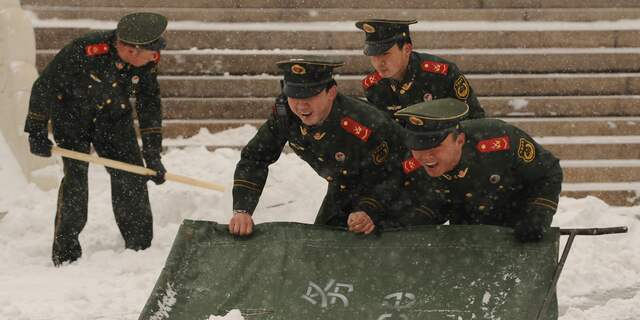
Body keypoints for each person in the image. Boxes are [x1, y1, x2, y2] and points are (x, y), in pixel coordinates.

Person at [229, 58, 445, 236]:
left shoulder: (363, 122)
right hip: (343, 188)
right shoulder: (285, 113)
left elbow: (395, 172)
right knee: (321, 249)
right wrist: (242, 209)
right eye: (294, 95)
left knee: (383, 256)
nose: (301, 105)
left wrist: (368, 209)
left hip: (406, 190)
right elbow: (255, 158)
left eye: (310, 96)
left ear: (331, 92)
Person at [23, 12, 169, 266]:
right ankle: (66, 253)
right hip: (71, 117)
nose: (155, 55)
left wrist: (152, 156)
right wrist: (36, 130)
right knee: (76, 180)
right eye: (151, 50)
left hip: (113, 117)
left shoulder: (146, 61)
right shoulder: (85, 49)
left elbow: (149, 104)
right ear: (132, 50)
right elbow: (44, 85)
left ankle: (140, 248)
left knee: (132, 176)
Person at [395, 98, 563, 242]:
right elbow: (432, 200)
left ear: (459, 140)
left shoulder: (499, 140)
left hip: (519, 228)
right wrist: (418, 218)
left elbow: (548, 173)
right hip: (468, 235)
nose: (425, 157)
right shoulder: (410, 163)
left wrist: (539, 213)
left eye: (434, 148)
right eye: (417, 148)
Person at [355, 19, 485, 123]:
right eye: (373, 56)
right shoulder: (373, 86)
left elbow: (474, 117)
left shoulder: (441, 73)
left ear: (407, 49)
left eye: (385, 54)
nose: (379, 63)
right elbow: (385, 131)